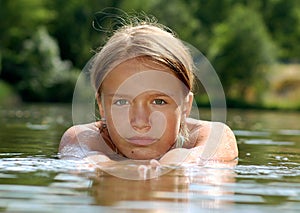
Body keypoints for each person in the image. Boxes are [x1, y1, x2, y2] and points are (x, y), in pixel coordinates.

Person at [58, 19, 238, 168]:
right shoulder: (84, 139)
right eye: (122, 102)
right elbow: (81, 161)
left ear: (186, 106)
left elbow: (207, 172)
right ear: (101, 106)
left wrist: (180, 161)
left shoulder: (211, 136)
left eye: (159, 101)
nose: (140, 123)